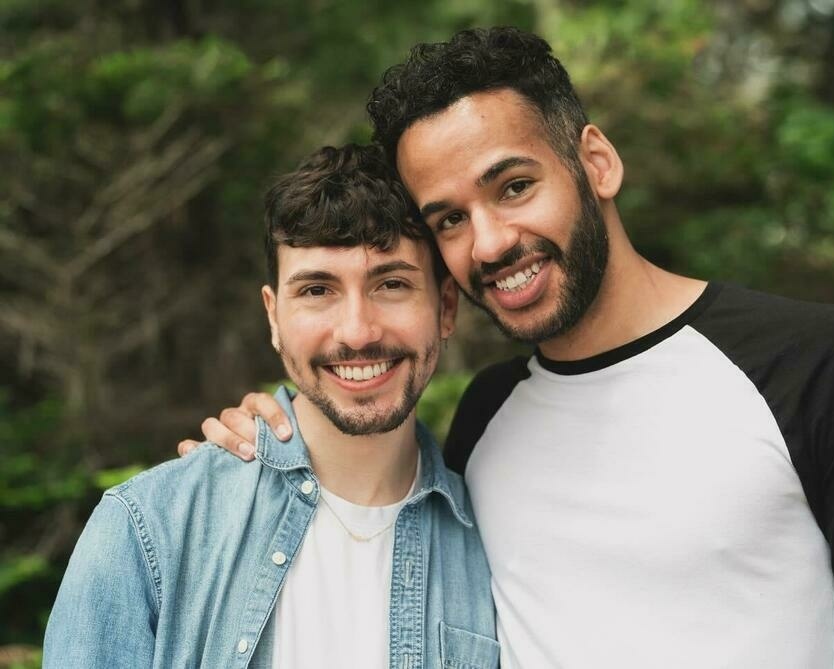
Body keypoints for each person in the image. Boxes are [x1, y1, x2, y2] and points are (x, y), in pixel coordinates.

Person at [184, 27, 834, 668]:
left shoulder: (817, 361)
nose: (489, 241)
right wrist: (265, 434)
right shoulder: (485, 421)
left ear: (595, 162)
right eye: (448, 219)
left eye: (513, 186)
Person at [45, 144, 498, 668]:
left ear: (445, 308)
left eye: (391, 284)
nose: (357, 332)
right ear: (274, 317)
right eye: (317, 290)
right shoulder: (148, 528)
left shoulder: (497, 544)